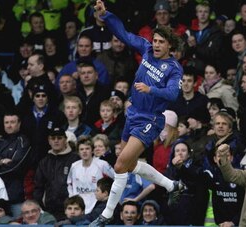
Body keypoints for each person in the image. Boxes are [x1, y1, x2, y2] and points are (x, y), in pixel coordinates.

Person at [89, 1, 184, 226]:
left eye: (161, 42)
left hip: (151, 119)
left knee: (120, 165)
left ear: (170, 45)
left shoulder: (174, 68)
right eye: (155, 40)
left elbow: (172, 95)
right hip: (133, 114)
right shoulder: (146, 49)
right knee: (129, 165)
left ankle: (107, 215)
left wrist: (151, 88)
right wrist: (106, 15)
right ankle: (172, 186)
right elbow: (123, 33)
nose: (156, 45)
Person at [0, 113, 31, 218]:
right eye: (6, 122)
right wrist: (0, 162)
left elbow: (16, 167)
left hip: (15, 196)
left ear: (19, 124)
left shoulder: (23, 141)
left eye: (12, 122)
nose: (9, 125)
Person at [33, 127, 80, 221]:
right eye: (53, 138)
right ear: (49, 141)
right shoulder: (44, 162)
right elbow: (38, 187)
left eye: (59, 138)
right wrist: (41, 207)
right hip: (49, 212)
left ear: (65, 139)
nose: (56, 141)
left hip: (71, 212)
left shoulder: (75, 159)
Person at [67, 136, 114, 214]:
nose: (84, 151)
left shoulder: (102, 164)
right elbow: (69, 184)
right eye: (81, 149)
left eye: (87, 149)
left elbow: (115, 179)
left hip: (96, 207)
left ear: (92, 150)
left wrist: (108, 197)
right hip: (78, 208)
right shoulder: (74, 166)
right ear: (78, 152)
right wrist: (72, 198)